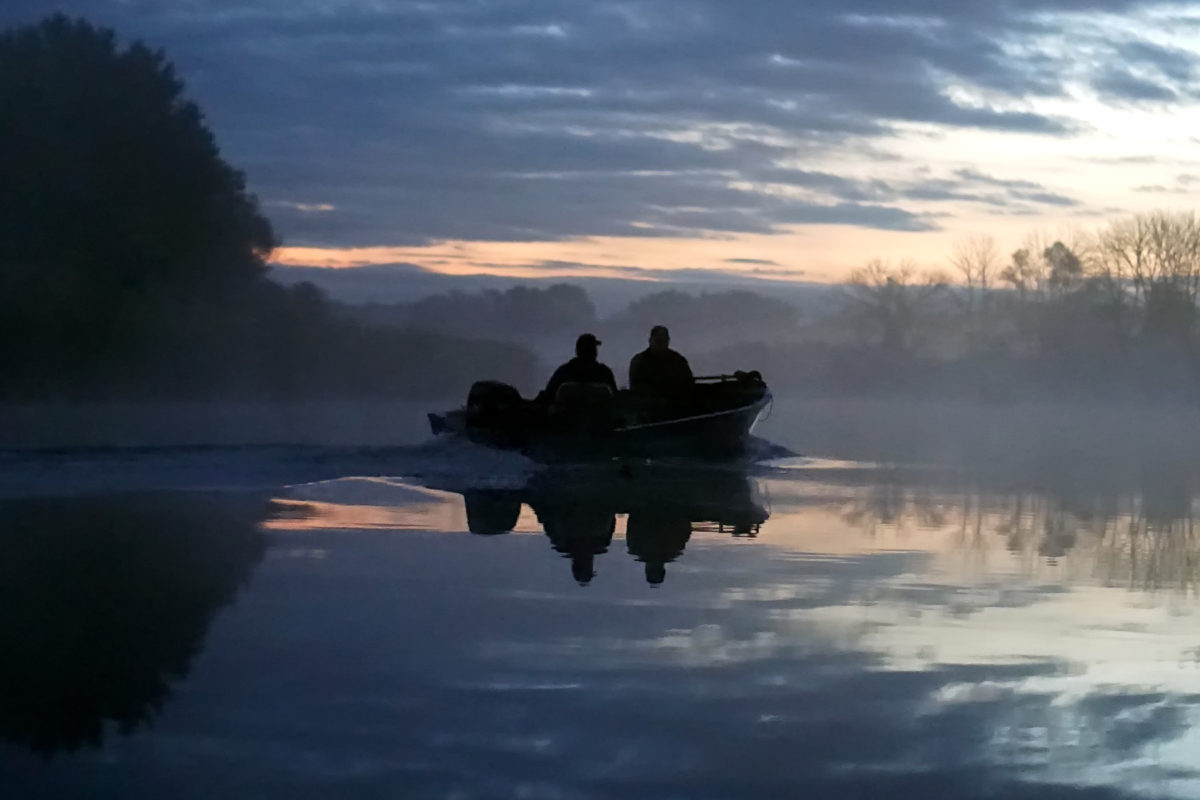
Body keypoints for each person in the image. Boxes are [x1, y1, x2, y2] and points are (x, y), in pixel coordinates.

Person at [539, 333, 618, 403]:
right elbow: (616, 398)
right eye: (593, 348)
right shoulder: (604, 372)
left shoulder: (564, 371)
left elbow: (548, 395)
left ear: (577, 351)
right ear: (595, 352)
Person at [628, 325, 693, 398]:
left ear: (668, 341)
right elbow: (636, 388)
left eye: (664, 341)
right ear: (650, 340)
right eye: (658, 341)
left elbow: (688, 383)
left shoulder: (678, 360)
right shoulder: (639, 361)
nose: (661, 344)